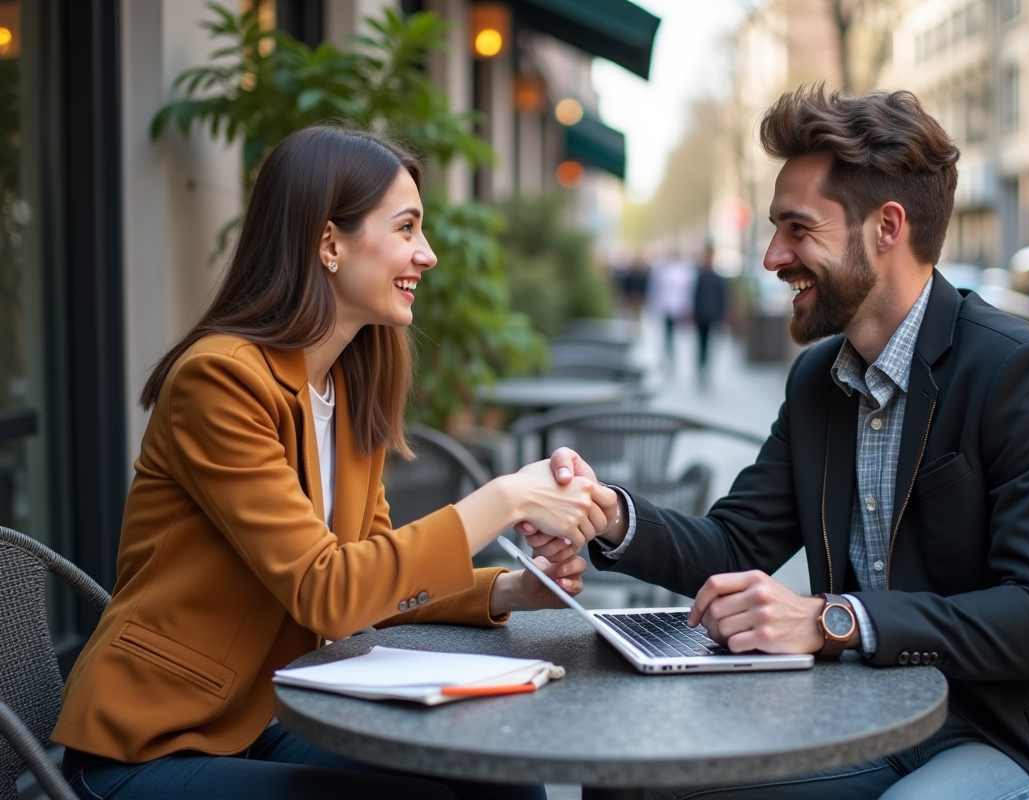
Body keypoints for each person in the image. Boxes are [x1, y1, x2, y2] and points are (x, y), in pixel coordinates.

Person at [522, 86, 1029, 800]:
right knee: (637, 779)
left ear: (886, 227)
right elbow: (735, 543)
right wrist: (613, 515)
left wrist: (831, 618)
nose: (774, 255)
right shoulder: (818, 380)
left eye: (797, 228)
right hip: (882, 717)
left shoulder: (1018, 370)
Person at [52, 126, 618, 800]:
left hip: (265, 714)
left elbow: (372, 565)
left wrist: (506, 592)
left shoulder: (344, 385)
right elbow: (329, 591)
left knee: (497, 775)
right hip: (149, 744)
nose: (427, 254)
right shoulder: (219, 381)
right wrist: (503, 500)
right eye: (407, 228)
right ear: (328, 243)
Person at [646, 250, 696, 372]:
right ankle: (667, 357)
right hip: (666, 306)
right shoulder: (662, 269)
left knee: (676, 334)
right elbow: (656, 288)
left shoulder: (686, 270)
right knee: (666, 334)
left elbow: (688, 291)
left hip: (679, 307)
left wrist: (688, 308)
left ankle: (673, 358)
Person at [692, 246, 727, 386]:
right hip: (700, 315)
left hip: (712, 315)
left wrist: (722, 315)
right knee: (700, 343)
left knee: (710, 343)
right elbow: (695, 296)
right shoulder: (699, 275)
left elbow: (722, 297)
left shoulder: (717, 277)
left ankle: (707, 367)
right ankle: (701, 367)